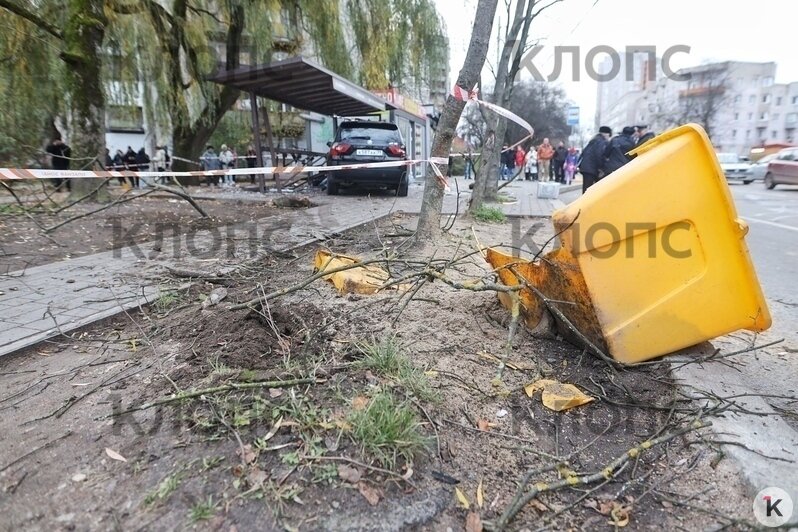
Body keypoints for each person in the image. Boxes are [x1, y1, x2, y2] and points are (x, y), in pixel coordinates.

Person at [578, 126, 612, 193]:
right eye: (609, 135)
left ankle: (585, 202)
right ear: (606, 134)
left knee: (586, 188)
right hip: (592, 168)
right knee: (593, 189)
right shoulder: (602, 142)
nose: (609, 137)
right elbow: (599, 155)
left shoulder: (593, 140)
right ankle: (587, 202)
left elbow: (583, 153)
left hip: (586, 167)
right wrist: (601, 168)